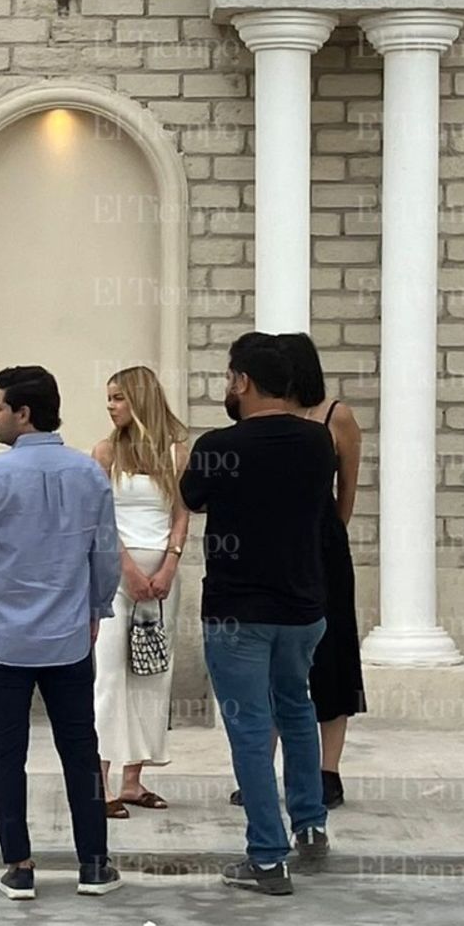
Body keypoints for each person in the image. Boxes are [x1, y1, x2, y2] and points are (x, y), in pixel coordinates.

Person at [0, 365, 123, 901]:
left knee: (5, 751)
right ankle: (94, 864)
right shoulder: (88, 474)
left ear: (24, 413)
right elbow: (106, 553)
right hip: (69, 637)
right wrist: (95, 607)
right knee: (79, 747)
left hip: (2, 638)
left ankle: (19, 866)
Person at [180, 333, 336, 896]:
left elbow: (193, 498)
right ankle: (311, 823)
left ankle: (268, 858)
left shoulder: (218, 444)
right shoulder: (318, 442)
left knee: (249, 728)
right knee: (297, 709)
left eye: (228, 377)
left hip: (237, 609)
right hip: (302, 605)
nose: (227, 386)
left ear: (243, 381)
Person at [227, 334, 366, 812]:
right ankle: (260, 770)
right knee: (267, 664)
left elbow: (346, 487)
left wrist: (326, 532)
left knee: (330, 655)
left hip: (320, 546)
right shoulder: (263, 420)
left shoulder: (335, 416)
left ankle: (327, 771)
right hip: (270, 547)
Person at [92, 367, 190, 817]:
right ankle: (99, 780)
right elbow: (99, 520)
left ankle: (133, 780)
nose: (110, 406)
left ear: (140, 399)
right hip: (118, 576)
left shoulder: (176, 453)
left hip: (161, 581)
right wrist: (127, 567)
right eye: (109, 398)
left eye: (118, 398)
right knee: (110, 675)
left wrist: (170, 564)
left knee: (151, 675)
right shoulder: (105, 452)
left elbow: (182, 514)